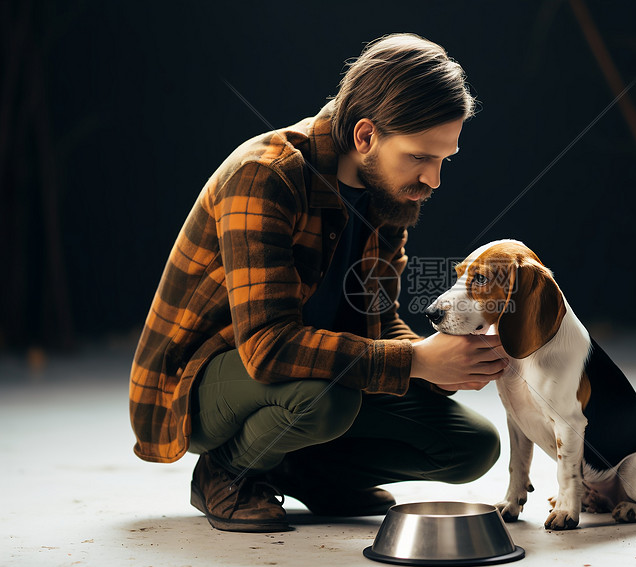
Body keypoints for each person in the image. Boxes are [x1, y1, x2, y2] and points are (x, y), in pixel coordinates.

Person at [129, 33, 508, 533]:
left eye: (444, 160)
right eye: (420, 157)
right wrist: (414, 361)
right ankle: (227, 472)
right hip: (201, 382)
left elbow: (376, 313)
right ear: (366, 135)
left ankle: (303, 470)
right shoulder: (266, 176)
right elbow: (267, 348)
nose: (433, 180)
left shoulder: (387, 192)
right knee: (323, 399)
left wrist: (433, 364)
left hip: (307, 372)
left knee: (470, 447)